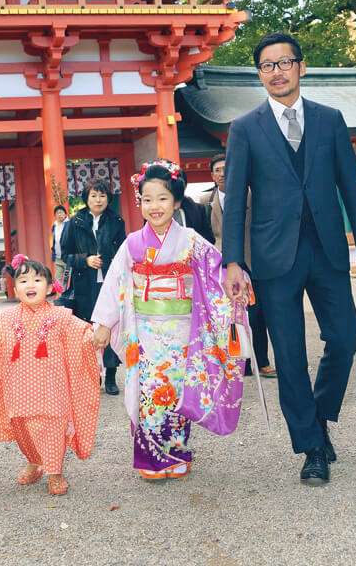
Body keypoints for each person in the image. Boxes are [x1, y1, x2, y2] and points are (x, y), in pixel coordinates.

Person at [222, 32, 356, 486]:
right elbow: (235, 202)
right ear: (260, 75)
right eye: (268, 66)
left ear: (301, 67)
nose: (277, 71)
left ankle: (321, 413)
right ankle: (312, 447)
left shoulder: (330, 121)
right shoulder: (245, 128)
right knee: (289, 356)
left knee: (345, 337)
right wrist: (234, 261)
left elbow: (351, 185)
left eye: (285, 62)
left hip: (326, 248)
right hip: (274, 256)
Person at [92, 160, 246, 482]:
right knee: (149, 392)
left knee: (179, 391)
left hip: (182, 331)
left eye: (162, 198)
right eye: (147, 199)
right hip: (145, 332)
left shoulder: (191, 240)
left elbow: (218, 273)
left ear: (176, 201)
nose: (154, 206)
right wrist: (105, 322)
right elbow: (116, 284)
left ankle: (177, 451)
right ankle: (151, 458)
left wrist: (236, 285)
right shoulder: (133, 243)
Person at [0, 255, 100, 496]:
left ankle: (54, 471)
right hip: (18, 390)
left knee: (53, 426)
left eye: (37, 280)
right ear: (15, 289)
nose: (30, 285)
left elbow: (82, 333)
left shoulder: (61, 316)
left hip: (52, 390)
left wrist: (93, 335)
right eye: (23, 280)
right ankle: (34, 461)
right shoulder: (6, 318)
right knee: (23, 428)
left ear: (49, 288)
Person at [201, 153, 276, 379]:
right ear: (212, 175)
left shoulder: (252, 195)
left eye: (226, 168)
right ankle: (238, 363)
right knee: (228, 316)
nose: (223, 174)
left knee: (256, 314)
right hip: (221, 266)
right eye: (218, 170)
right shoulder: (204, 202)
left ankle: (261, 361)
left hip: (252, 260)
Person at [60, 179, 126, 396]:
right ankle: (91, 375)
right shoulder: (74, 222)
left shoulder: (117, 221)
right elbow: (65, 255)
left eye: (103, 196)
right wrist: (85, 260)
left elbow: (123, 252)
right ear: (86, 198)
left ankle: (110, 376)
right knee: (86, 330)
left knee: (110, 326)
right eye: (94, 196)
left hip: (110, 283)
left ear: (109, 198)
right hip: (84, 284)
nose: (98, 200)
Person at [51, 204, 69, 283]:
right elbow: (54, 240)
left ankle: (65, 294)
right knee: (57, 279)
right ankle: (59, 295)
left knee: (66, 278)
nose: (60, 214)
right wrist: (53, 253)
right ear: (55, 215)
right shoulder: (54, 226)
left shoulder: (69, 224)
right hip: (58, 258)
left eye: (62, 212)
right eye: (58, 213)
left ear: (65, 214)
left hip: (67, 258)